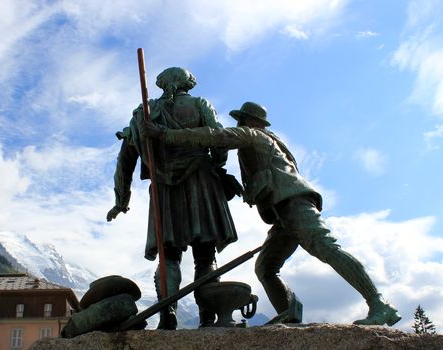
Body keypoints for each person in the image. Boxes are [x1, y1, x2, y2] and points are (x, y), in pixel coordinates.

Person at [142, 101, 401, 326]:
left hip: (292, 203)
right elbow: (266, 177)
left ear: (248, 121)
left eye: (241, 120)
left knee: (326, 247)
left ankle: (379, 303)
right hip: (282, 213)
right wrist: (243, 188)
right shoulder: (270, 142)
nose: (239, 124)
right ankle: (288, 312)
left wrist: (166, 134)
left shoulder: (252, 136)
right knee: (266, 267)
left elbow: (214, 136)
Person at [107, 67, 240, 329]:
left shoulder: (144, 114)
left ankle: (168, 311)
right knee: (205, 255)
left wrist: (121, 201)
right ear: (187, 84)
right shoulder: (201, 105)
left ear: (162, 84)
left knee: (169, 256)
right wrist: (218, 163)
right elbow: (220, 141)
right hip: (202, 181)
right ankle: (208, 317)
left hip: (164, 189)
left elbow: (125, 161)